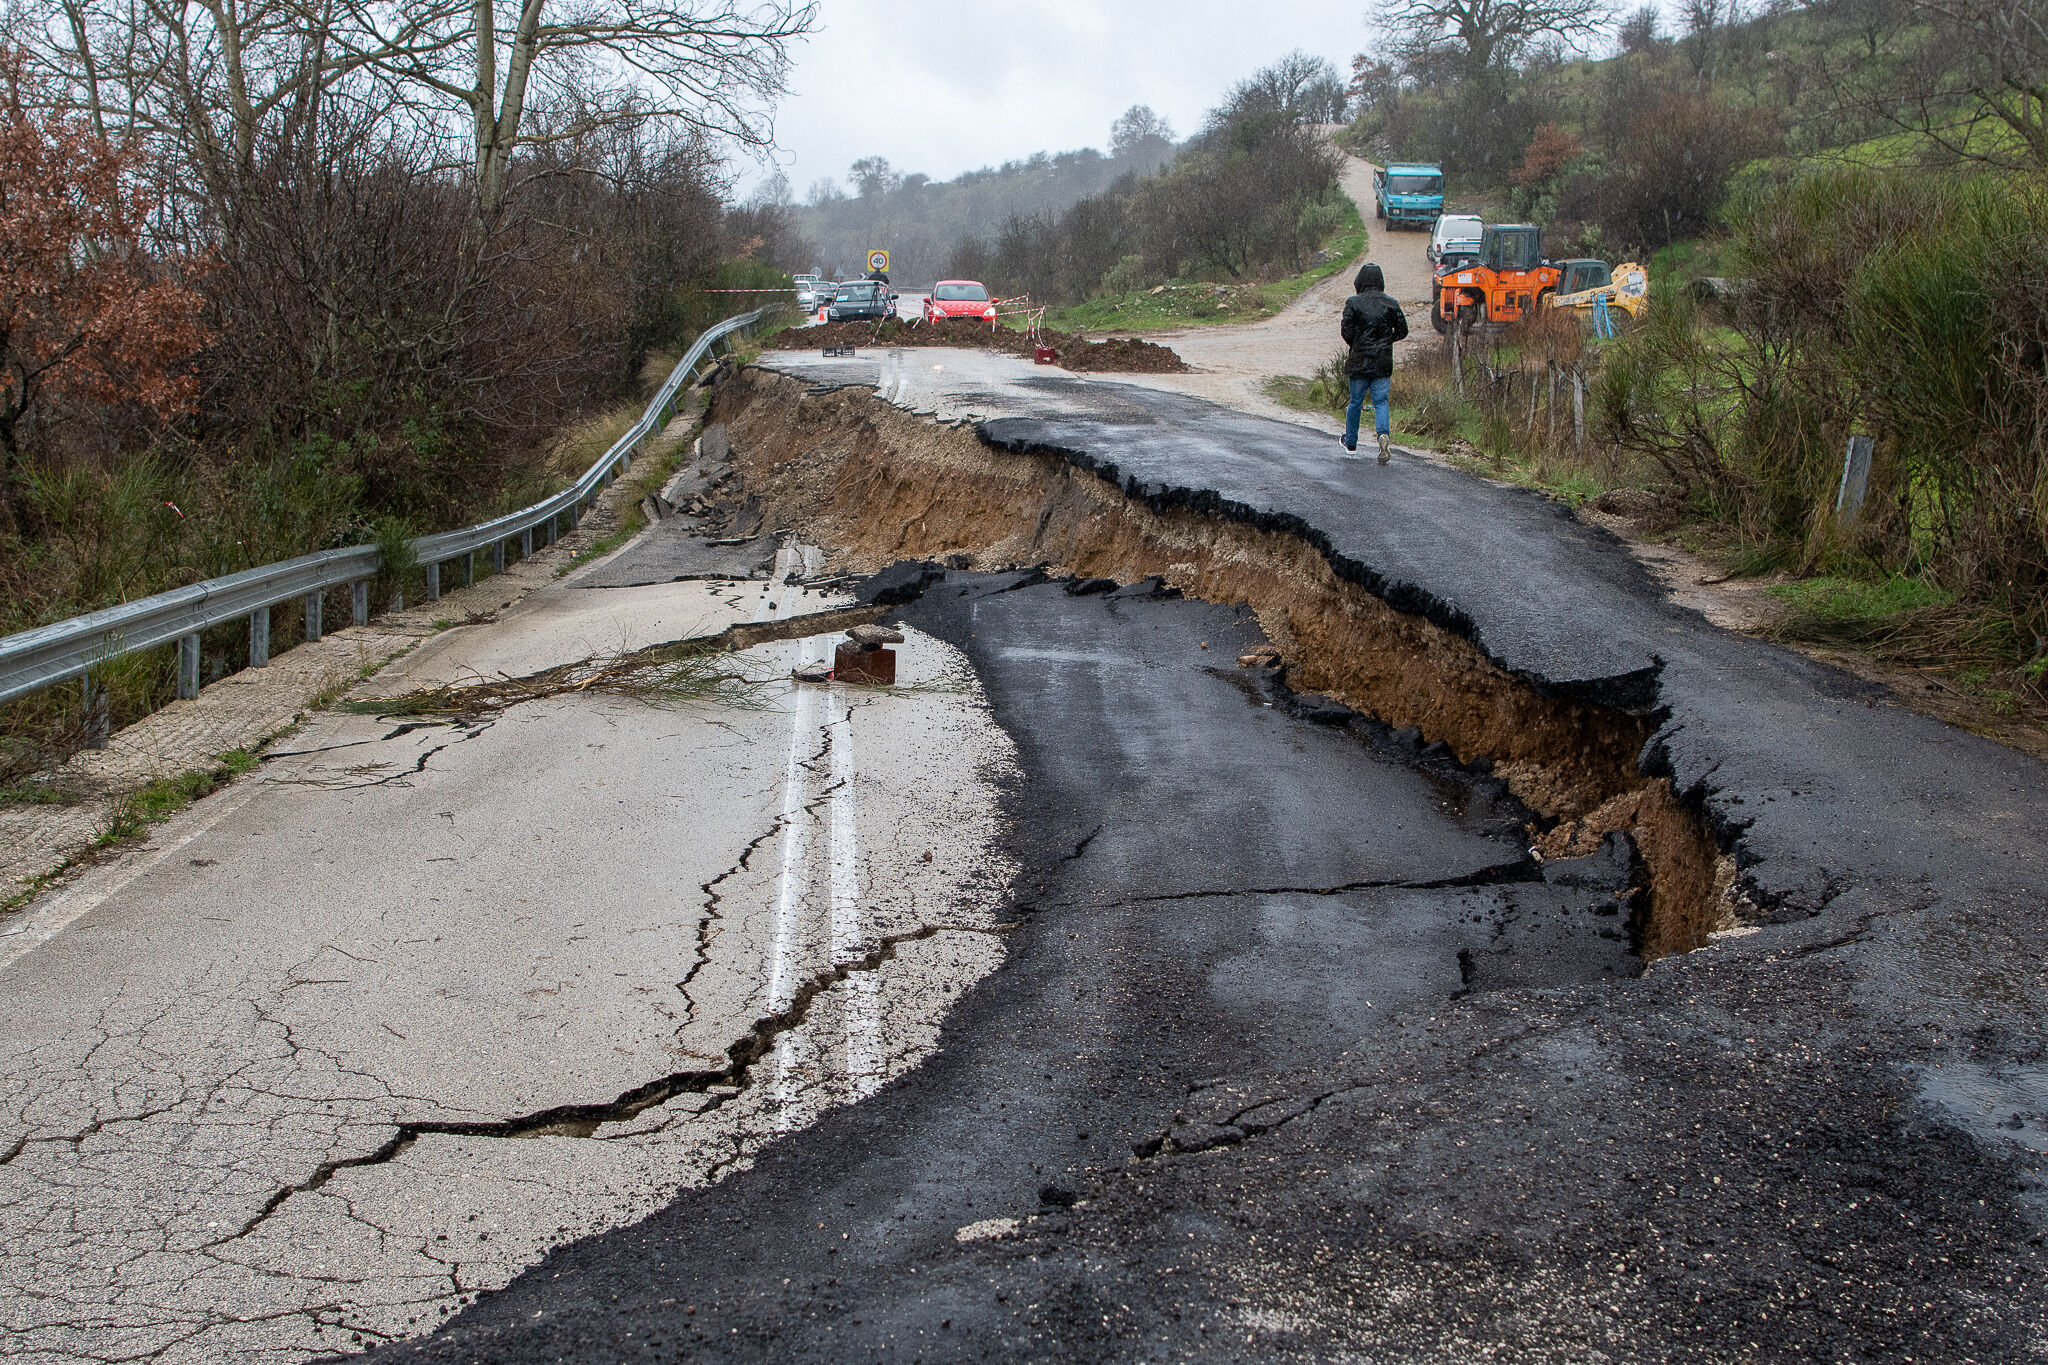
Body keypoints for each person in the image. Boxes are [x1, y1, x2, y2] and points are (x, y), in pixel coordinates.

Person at [1339, 262, 1409, 463]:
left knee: (1355, 402)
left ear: (1359, 281)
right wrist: (1386, 341)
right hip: (1382, 362)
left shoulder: (1353, 303)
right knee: (1381, 402)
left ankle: (1351, 443)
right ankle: (1383, 435)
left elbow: (1346, 331)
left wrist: (1356, 343)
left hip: (1359, 361)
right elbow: (1403, 331)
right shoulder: (1391, 303)